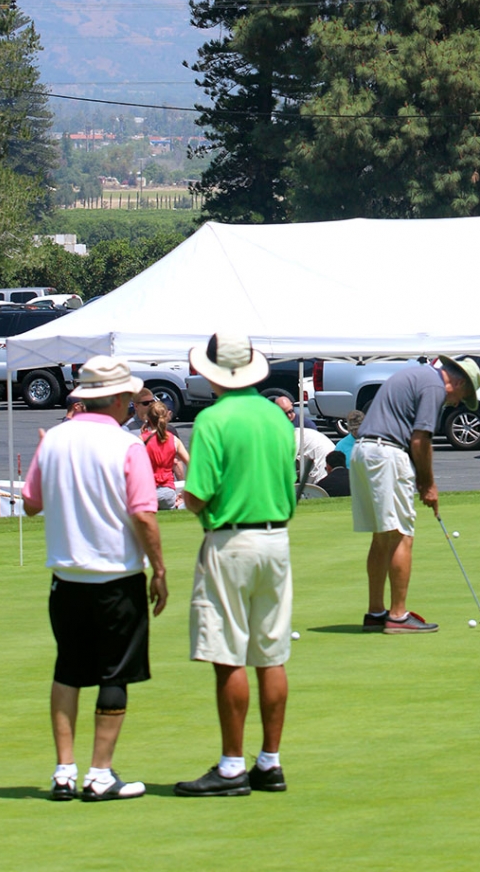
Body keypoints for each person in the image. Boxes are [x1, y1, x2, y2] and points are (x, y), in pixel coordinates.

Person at [22, 356, 167, 802]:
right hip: (117, 578)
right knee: (114, 673)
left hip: (65, 579)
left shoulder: (55, 440)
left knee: (68, 669)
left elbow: (30, 503)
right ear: (121, 398)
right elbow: (143, 514)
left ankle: (64, 771)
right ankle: (99, 773)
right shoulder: (126, 446)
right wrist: (159, 569)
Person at [176, 332, 296, 797]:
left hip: (230, 540)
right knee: (272, 653)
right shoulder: (276, 415)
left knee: (228, 654)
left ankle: (231, 766)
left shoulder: (211, 419)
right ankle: (270, 760)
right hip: (277, 539)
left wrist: (192, 502)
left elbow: (197, 494)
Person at [350, 354, 480, 633]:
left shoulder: (414, 374)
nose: (456, 403)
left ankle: (376, 612)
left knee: (382, 535)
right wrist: (429, 484)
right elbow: (420, 439)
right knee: (401, 536)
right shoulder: (433, 387)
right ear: (457, 382)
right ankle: (397, 616)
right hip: (386, 454)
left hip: (363, 452)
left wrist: (422, 481)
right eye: (462, 396)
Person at [274, 396, 335, 484]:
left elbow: (286, 462)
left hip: (321, 470)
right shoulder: (284, 430)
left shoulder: (303, 427)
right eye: (285, 413)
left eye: (291, 411)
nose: (289, 415)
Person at [142, 401, 190, 510]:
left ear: (148, 418)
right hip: (168, 492)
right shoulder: (174, 439)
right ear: (167, 416)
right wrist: (184, 492)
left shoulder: (141, 440)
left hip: (147, 492)